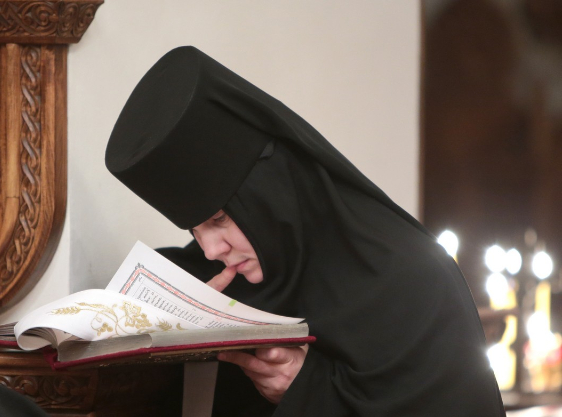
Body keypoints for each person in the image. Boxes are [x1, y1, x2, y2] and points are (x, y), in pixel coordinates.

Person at [105, 46, 506, 417]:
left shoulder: (413, 281)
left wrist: (307, 389)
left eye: (219, 219)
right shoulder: (223, 275)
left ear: (272, 192)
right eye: (195, 229)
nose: (211, 249)